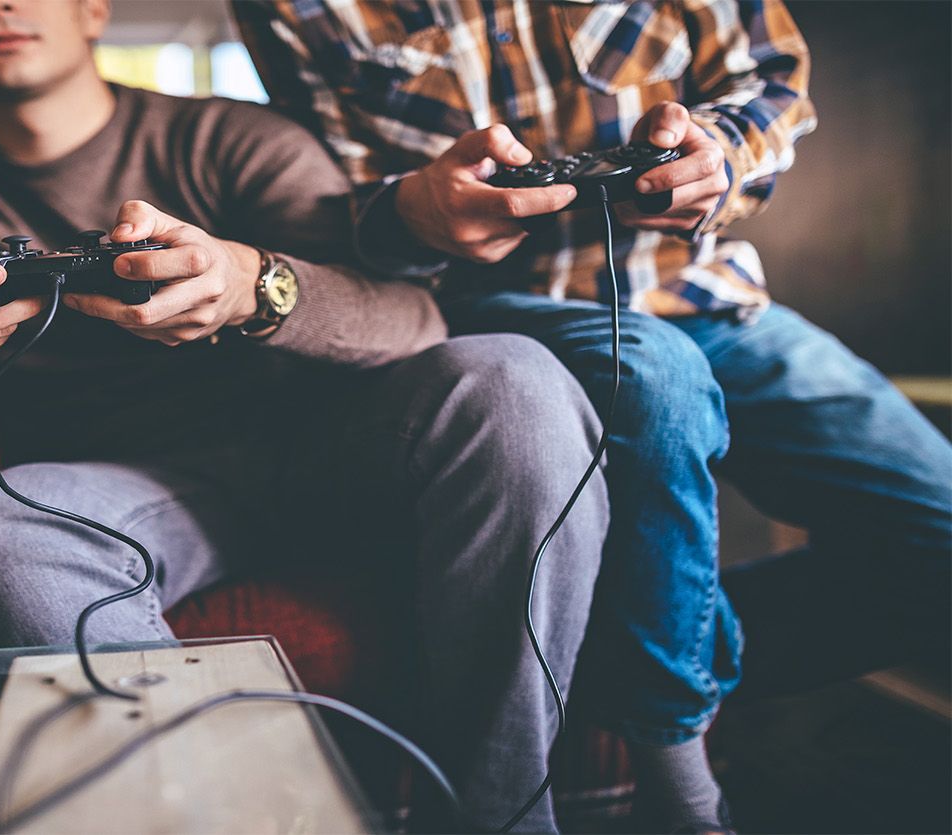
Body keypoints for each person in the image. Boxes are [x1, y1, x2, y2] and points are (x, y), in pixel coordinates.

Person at [0, 0, 611, 829]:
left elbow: (413, 321)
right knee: (3, 529)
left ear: (93, 9)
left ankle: (499, 818)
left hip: (341, 447)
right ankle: (197, 814)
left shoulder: (234, 138)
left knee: (515, 380)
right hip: (125, 491)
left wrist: (253, 287)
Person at [232, 0, 952, 830]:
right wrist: (408, 213)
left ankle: (605, 662)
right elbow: (321, 203)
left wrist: (717, 154)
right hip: (480, 313)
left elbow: (770, 81)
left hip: (701, 293)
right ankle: (680, 781)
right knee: (653, 371)